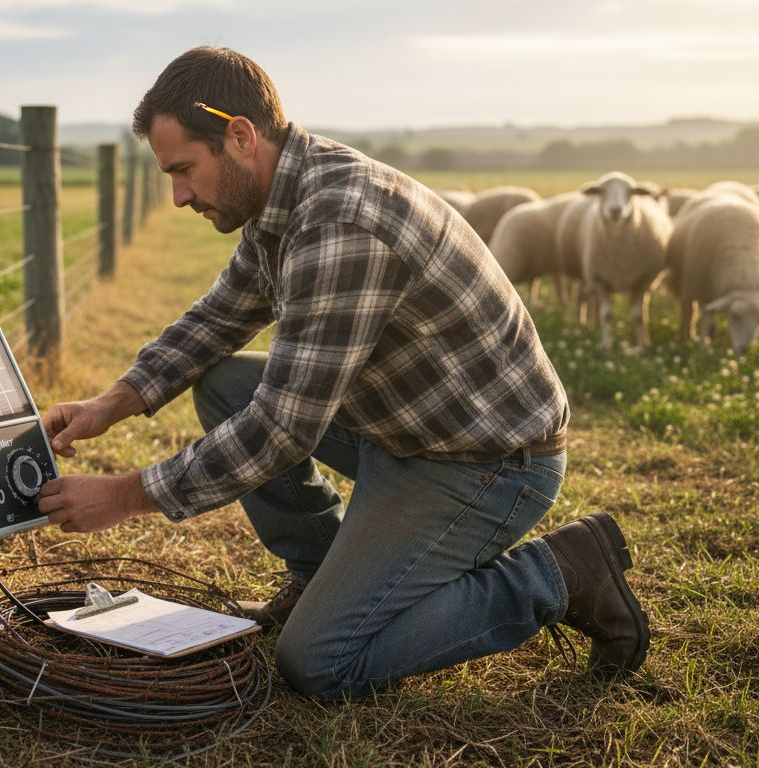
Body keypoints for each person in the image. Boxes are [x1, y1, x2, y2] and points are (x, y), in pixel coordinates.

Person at [35, 46, 648, 699]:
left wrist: (124, 496)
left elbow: (281, 429)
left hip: (486, 461)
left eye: (183, 170)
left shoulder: (343, 219)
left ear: (240, 136)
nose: (179, 194)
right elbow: (218, 318)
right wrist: (112, 403)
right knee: (224, 383)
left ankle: (563, 572)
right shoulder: (284, 194)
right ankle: (321, 574)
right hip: (406, 426)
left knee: (319, 662)